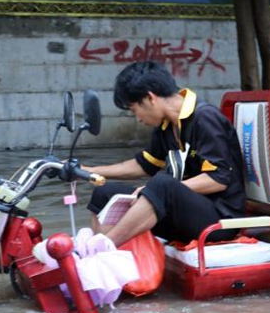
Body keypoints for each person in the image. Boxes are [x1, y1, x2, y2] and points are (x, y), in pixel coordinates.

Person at [85, 61, 246, 247]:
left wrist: (156, 191)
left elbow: (218, 179)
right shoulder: (165, 125)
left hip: (220, 220)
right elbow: (145, 164)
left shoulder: (205, 118)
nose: (137, 118)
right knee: (104, 193)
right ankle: (109, 255)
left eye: (134, 110)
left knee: (162, 184)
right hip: (182, 214)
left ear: (150, 98)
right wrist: (90, 171)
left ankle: (102, 249)